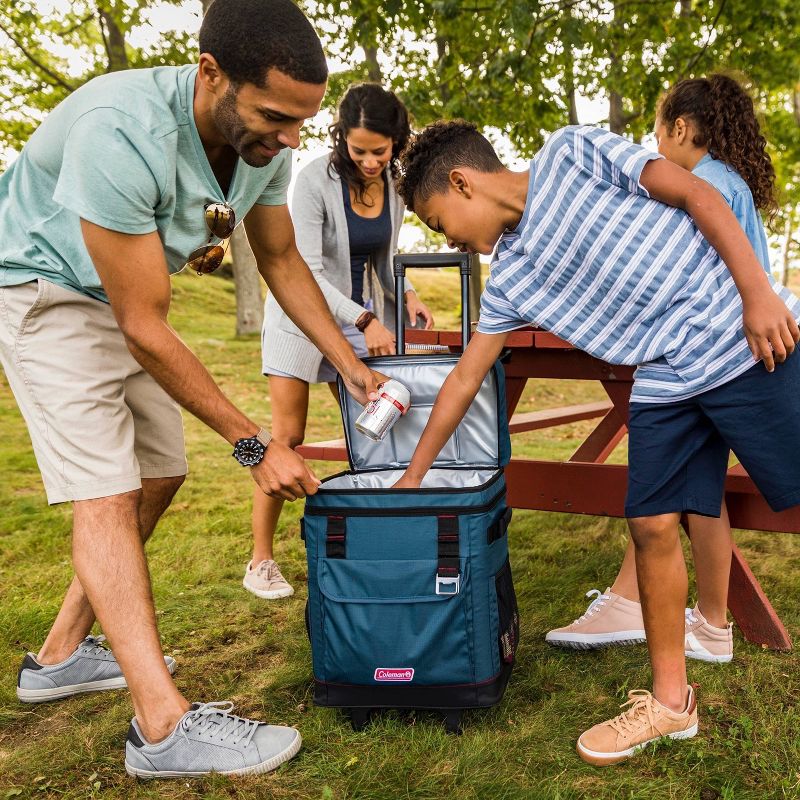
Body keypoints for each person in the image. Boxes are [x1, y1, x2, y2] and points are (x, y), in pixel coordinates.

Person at [0, 0, 385, 779]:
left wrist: (348, 364)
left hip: (120, 299)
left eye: (302, 121)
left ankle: (60, 657)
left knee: (160, 473)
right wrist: (253, 444)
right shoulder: (122, 129)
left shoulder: (261, 141)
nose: (290, 139)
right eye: (277, 116)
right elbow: (146, 324)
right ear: (210, 72)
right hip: (42, 290)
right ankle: (163, 730)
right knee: (105, 492)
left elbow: (280, 261)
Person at [392, 119, 800, 765]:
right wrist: (413, 478)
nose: (451, 242)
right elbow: (466, 377)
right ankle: (670, 705)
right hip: (664, 377)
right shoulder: (512, 279)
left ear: (461, 182)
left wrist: (756, 292)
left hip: (736, 337)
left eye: (440, 223)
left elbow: (698, 196)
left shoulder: (571, 153)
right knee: (650, 523)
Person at [545, 73, 778, 665]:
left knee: (662, 486)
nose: (653, 148)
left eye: (656, 134)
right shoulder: (734, 184)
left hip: (704, 360)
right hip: (728, 357)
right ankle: (713, 624)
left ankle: (635, 605)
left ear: (680, 128)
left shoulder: (701, 183)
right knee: (697, 489)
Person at [247, 83, 433, 599]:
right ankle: (261, 559)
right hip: (299, 316)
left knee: (374, 431)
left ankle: (375, 541)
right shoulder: (312, 181)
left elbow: (381, 260)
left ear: (396, 141)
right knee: (289, 433)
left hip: (356, 316)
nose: (371, 161)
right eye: (360, 151)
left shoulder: (392, 189)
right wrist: (367, 318)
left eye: (381, 150)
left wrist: (408, 294)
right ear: (341, 141)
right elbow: (300, 270)